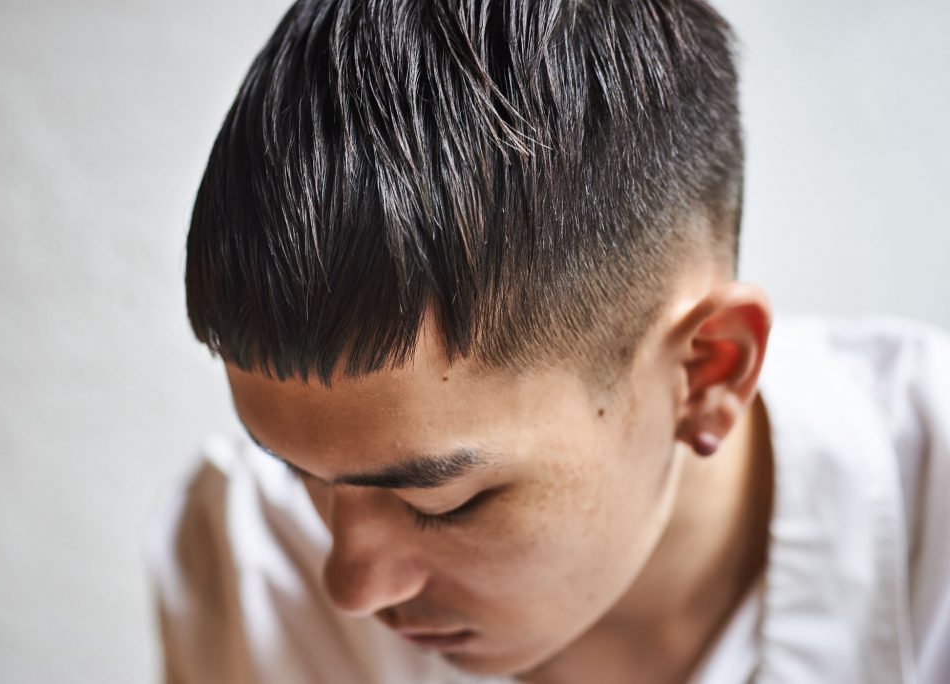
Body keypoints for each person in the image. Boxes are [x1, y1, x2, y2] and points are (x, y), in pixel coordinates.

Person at [146, 0, 950, 682]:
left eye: (442, 504)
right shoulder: (250, 553)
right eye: (300, 472)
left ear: (708, 371)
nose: (351, 586)